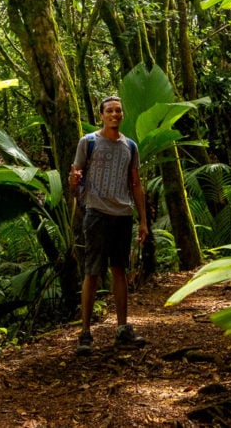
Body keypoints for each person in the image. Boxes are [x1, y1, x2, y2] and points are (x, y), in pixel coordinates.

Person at [69, 95, 148, 356]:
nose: (115, 114)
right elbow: (75, 182)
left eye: (118, 110)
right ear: (101, 115)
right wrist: (73, 180)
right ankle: (85, 333)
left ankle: (122, 329)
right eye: (109, 111)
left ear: (122, 115)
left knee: (119, 271)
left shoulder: (130, 147)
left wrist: (143, 221)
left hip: (123, 215)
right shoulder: (88, 143)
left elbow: (136, 184)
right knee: (92, 272)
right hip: (97, 214)